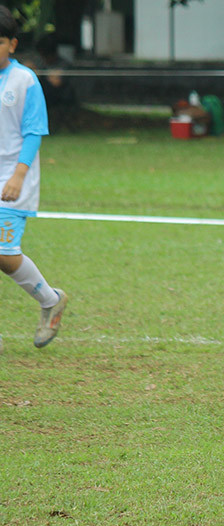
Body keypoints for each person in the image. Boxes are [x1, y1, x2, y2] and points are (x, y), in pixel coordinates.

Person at [0, 6, 68, 355]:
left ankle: (51, 299)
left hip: (13, 180)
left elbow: (33, 131)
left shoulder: (24, 80)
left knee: (4, 253)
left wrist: (18, 175)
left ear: (11, 44)